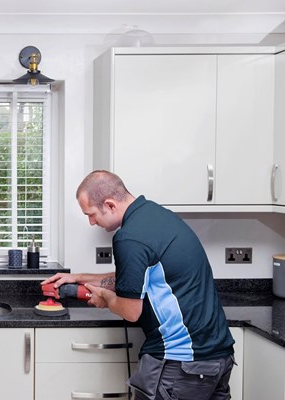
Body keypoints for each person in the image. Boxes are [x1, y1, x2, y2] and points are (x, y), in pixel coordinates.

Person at [41, 170, 235, 400]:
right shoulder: (158, 215)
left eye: (91, 214)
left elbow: (130, 310)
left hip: (180, 364)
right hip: (219, 357)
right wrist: (79, 277)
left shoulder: (129, 237)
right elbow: (138, 278)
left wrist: (105, 299)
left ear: (110, 205)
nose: (91, 222)